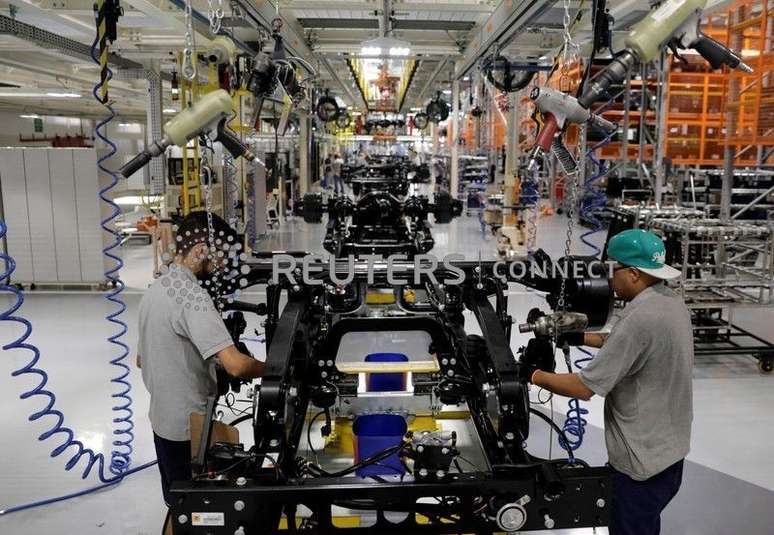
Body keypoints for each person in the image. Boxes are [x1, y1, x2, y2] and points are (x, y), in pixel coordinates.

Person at [522, 229, 693, 535]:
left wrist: (531, 375)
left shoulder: (640, 317)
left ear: (634, 274)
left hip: (639, 465)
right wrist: (575, 336)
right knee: (646, 525)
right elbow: (626, 342)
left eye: (612, 270)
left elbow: (583, 388)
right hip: (669, 452)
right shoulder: (669, 301)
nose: (609, 280)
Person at [136, 211, 265, 514]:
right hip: (189, 429)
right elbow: (236, 365)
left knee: (177, 505)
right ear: (200, 249)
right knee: (199, 514)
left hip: (162, 422)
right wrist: (273, 368)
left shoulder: (157, 288)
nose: (219, 265)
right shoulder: (192, 296)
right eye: (218, 255)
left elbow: (142, 360)